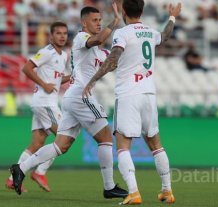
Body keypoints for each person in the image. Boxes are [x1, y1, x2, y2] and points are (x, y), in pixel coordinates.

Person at [9, 3, 129, 199]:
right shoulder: (82, 38)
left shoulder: (99, 51)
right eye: (95, 20)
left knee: (61, 145)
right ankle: (108, 187)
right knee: (106, 137)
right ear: (84, 23)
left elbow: (112, 59)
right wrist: (114, 23)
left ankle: (21, 168)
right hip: (82, 96)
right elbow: (98, 38)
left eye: (100, 20)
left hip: (72, 97)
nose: (99, 24)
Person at [82, 0, 181, 205]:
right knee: (156, 145)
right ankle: (167, 190)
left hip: (128, 95)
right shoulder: (151, 32)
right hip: (149, 95)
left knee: (123, 147)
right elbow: (165, 36)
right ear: (142, 10)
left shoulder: (122, 33)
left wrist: (93, 80)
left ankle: (134, 192)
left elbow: (113, 60)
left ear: (125, 11)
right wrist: (172, 16)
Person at [5, 22, 70, 193]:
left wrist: (70, 78)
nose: (62, 36)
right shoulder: (47, 52)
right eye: (58, 33)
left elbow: (56, 80)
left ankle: (12, 179)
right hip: (44, 102)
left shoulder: (63, 55)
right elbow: (26, 68)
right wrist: (43, 84)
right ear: (51, 36)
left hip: (45, 103)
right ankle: (40, 172)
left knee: (37, 143)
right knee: (65, 136)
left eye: (65, 33)